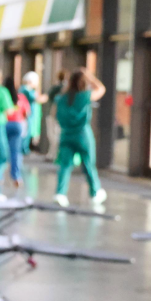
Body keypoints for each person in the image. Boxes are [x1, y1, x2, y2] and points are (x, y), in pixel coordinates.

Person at [55, 68, 107, 207]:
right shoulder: (85, 96)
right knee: (88, 164)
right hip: (82, 134)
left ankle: (60, 193)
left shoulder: (61, 98)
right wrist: (89, 76)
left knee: (65, 165)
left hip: (66, 134)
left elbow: (57, 115)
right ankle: (95, 192)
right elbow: (101, 89)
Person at [3, 76, 29, 188]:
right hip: (17, 125)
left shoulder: (3, 96)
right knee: (15, 152)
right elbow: (27, 112)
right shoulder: (21, 97)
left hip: (4, 125)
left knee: (2, 151)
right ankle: (16, 177)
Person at [20, 71, 47, 155]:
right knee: (26, 132)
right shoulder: (26, 89)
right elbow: (37, 99)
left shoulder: (26, 89)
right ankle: (24, 149)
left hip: (28, 114)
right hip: (26, 114)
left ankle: (24, 148)